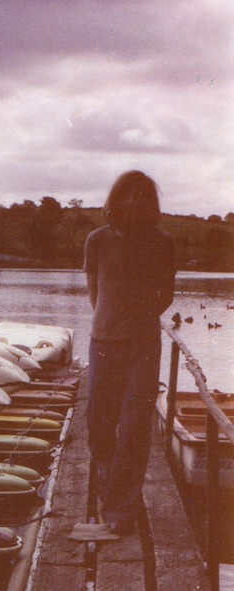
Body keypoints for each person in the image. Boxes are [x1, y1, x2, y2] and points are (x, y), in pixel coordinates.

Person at [84, 170, 176, 535]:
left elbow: (166, 294)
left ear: (151, 203)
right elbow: (94, 290)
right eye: (130, 195)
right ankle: (113, 482)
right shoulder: (97, 240)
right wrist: (111, 321)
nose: (136, 201)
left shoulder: (162, 243)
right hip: (104, 342)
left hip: (143, 345)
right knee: (99, 423)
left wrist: (138, 319)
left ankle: (120, 509)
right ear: (117, 199)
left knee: (136, 425)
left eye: (144, 196)